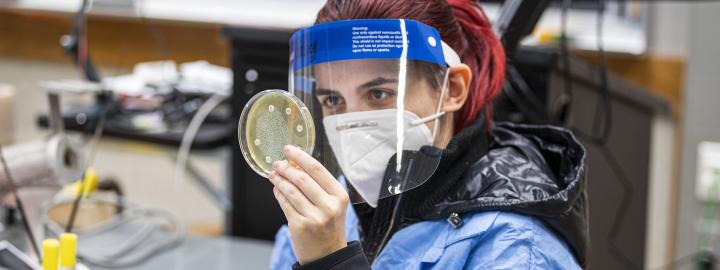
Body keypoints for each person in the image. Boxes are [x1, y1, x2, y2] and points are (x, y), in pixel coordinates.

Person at [265, 0, 589, 269]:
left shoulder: (517, 249)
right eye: (333, 100)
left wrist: (332, 260)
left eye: (379, 94)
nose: (350, 122)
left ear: (452, 88)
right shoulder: (334, 213)